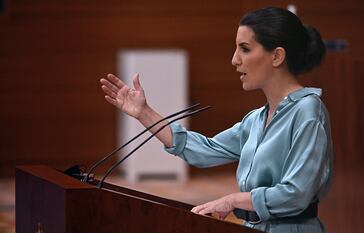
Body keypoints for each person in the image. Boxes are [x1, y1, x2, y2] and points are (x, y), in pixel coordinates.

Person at [100, 7, 333, 233]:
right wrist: (143, 112)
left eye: (244, 49)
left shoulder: (308, 110)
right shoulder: (256, 119)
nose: (234, 60)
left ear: (277, 56)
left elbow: (296, 194)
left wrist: (233, 200)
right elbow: (203, 151)